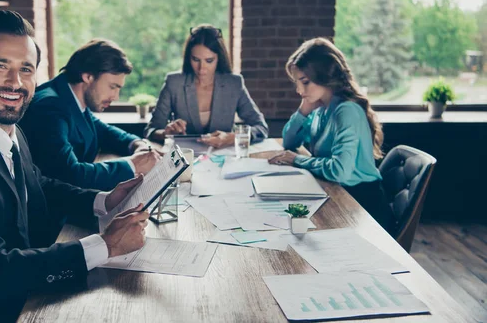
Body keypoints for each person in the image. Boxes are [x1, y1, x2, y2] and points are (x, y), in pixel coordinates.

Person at [0, 11, 149, 322]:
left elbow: (38, 185)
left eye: (26, 69)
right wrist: (105, 245)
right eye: (0, 66)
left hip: (22, 294)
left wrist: (102, 200)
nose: (15, 82)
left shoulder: (9, 129)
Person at [268, 37, 395, 233]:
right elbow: (289, 141)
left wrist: (298, 160)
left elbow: (340, 171)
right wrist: (303, 111)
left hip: (361, 207)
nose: (299, 90)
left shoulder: (346, 111)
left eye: (305, 82)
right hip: (337, 194)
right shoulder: (320, 109)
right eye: (297, 83)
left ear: (325, 77)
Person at [20, 39, 161, 191]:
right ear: (88, 77)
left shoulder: (69, 96)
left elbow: (104, 131)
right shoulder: (50, 107)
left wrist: (137, 144)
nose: (116, 97)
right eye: (113, 87)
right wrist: (133, 165)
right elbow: (70, 175)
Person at [144, 24, 268, 148]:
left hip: (224, 160)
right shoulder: (174, 83)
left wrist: (233, 138)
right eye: (196, 60)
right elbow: (151, 130)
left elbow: (260, 127)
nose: (201, 68)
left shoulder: (234, 84)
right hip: (184, 158)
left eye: (209, 61)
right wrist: (166, 133)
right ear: (188, 58)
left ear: (219, 59)